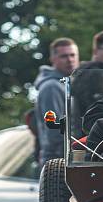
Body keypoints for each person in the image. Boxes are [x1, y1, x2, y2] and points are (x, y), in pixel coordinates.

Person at [34, 37, 79, 167]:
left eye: (73, 55)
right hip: (57, 160)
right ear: (53, 59)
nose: (70, 60)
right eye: (64, 56)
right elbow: (55, 129)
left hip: (70, 157)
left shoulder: (72, 84)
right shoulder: (51, 87)